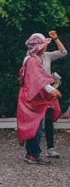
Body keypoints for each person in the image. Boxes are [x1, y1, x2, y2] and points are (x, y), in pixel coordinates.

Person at [20, 33, 63, 164]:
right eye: (43, 45)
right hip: (35, 97)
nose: (45, 47)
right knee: (37, 126)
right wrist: (51, 89)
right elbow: (38, 79)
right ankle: (33, 155)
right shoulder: (33, 61)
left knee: (35, 125)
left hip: (31, 95)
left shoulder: (30, 58)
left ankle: (31, 154)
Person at [38, 31, 65, 158]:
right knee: (37, 119)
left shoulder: (47, 56)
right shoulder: (31, 58)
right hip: (37, 91)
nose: (45, 47)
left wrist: (56, 39)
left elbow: (63, 52)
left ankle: (50, 147)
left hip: (49, 91)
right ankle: (33, 150)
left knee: (49, 119)